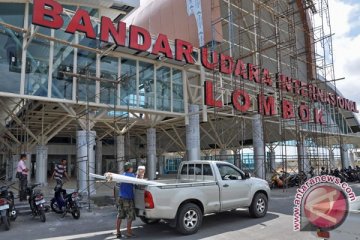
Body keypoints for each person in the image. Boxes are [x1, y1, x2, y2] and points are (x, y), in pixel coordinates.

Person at [116, 162, 136, 239]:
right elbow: (137, 183)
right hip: (128, 199)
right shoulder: (131, 176)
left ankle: (118, 232)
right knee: (130, 216)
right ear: (129, 168)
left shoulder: (122, 175)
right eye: (132, 167)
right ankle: (128, 232)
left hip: (121, 198)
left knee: (120, 216)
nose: (132, 168)